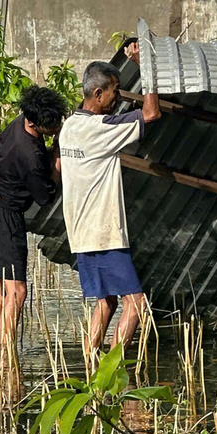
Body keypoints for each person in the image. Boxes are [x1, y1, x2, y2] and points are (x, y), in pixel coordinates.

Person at [59, 56, 160, 360]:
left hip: (80, 233)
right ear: (98, 93)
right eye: (115, 91)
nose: (118, 98)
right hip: (104, 235)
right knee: (136, 303)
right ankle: (113, 368)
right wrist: (148, 67)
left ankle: (91, 363)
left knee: (107, 303)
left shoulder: (69, 127)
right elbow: (151, 113)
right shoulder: (101, 128)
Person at [0, 85, 68, 352]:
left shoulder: (17, 124)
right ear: (35, 121)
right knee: (17, 293)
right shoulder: (30, 154)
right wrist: (59, 153)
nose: (56, 126)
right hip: (5, 217)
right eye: (52, 124)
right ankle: (7, 356)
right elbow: (46, 196)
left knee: (4, 294)